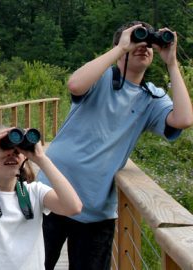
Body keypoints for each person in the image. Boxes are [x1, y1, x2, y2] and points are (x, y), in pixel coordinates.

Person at [38, 21, 193, 270]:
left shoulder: (151, 97)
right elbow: (75, 84)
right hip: (51, 193)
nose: (142, 48)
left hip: (95, 207)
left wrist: (172, 63)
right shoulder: (101, 77)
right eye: (136, 41)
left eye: (148, 45)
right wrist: (121, 48)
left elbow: (184, 119)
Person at [0, 126, 82, 270]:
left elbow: (74, 207)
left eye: (17, 150)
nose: (11, 154)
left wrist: (41, 159)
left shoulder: (35, 192)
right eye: (2, 148)